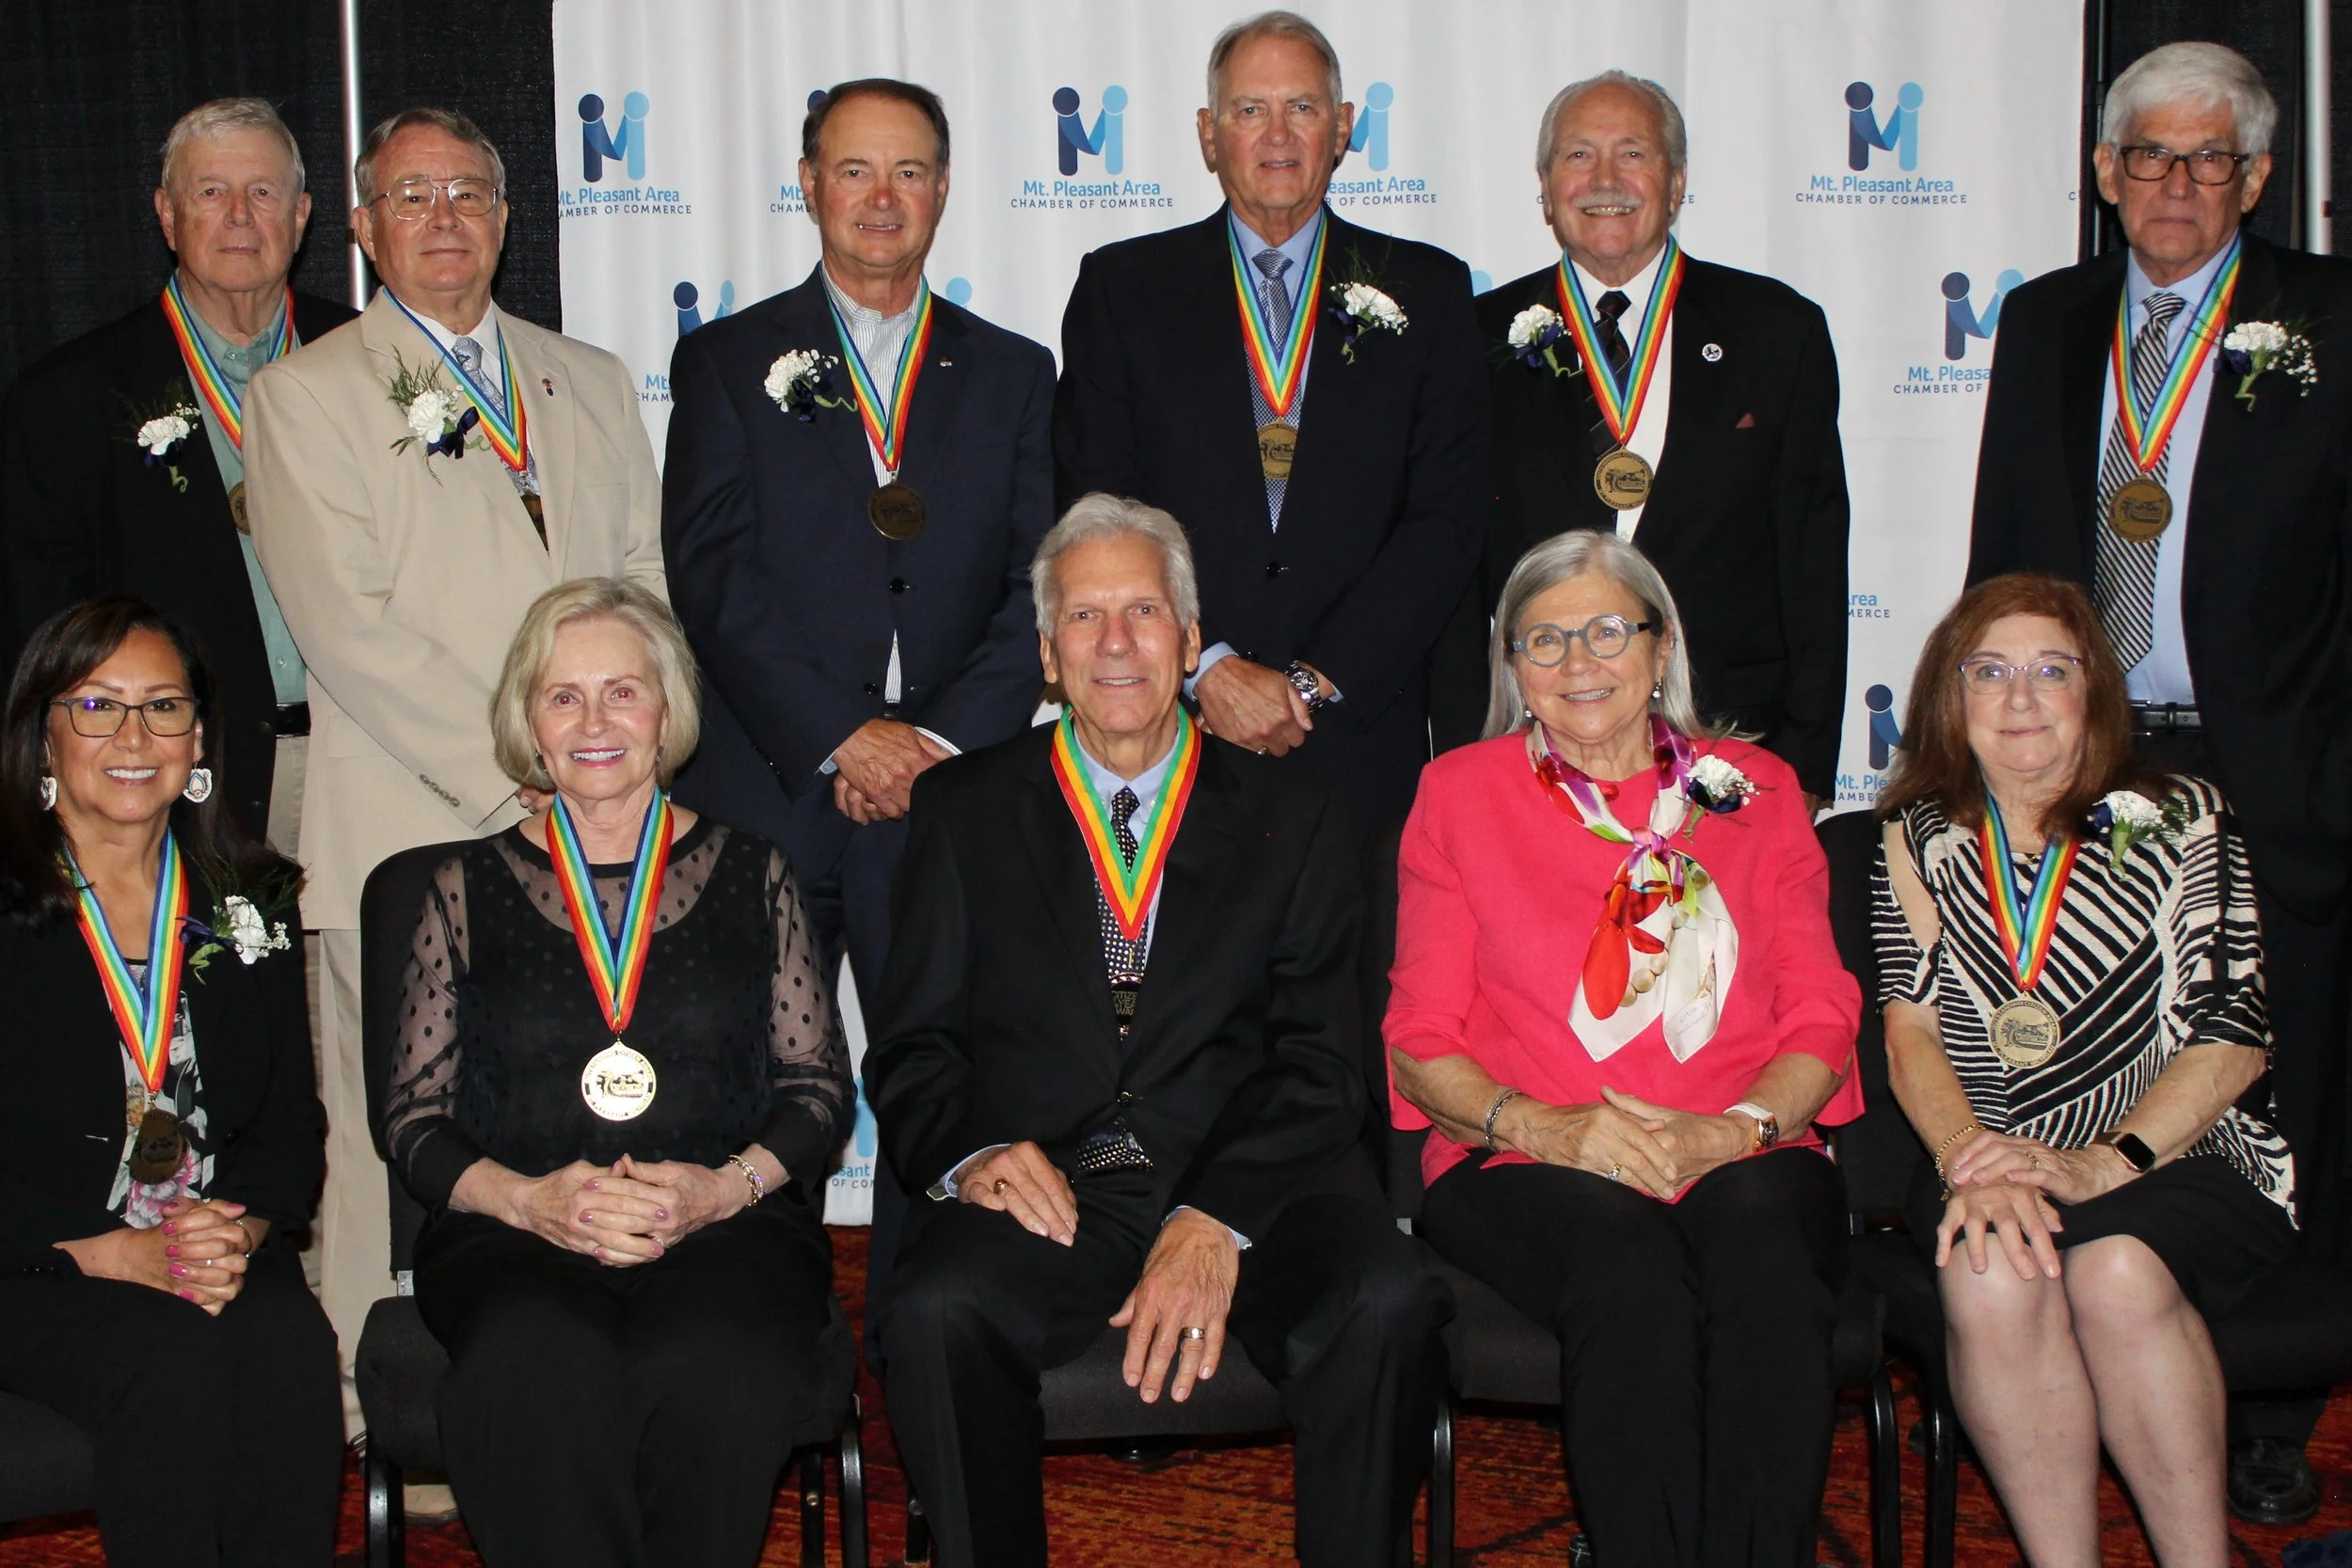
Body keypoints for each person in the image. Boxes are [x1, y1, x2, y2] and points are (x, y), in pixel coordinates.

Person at [867, 494, 1450, 1568]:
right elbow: (913, 1044)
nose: (1117, 642)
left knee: (1386, 1294)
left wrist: (1213, 1214)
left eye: (1143, 610)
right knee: (935, 1308)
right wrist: (975, 1152)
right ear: (1046, 654)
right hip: (1051, 1183)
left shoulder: (1299, 812)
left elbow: (1322, 1063)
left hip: (1251, 1179)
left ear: (1190, 639)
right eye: (1085, 618)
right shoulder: (963, 806)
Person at [1963, 40, 2352, 1519]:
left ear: (2255, 178)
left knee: (2283, 1098)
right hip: (2091, 761)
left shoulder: (2327, 317)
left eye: (2209, 161)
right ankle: (2091, 1334)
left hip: (2276, 780)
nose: (2176, 185)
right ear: (2104, 173)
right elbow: (2009, 553)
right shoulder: (2050, 322)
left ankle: (2263, 1406)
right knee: (2090, 1061)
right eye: (2148, 157)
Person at [245, 105, 664, 1433]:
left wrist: (609, 765)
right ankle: (383, 1418)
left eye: (468, 193)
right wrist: (524, 773)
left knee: (564, 1102)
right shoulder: (304, 393)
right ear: (361, 226)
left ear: (503, 215)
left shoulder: (586, 376)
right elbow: (346, 629)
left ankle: (561, 1386)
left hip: (594, 820)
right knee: (398, 1138)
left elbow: (644, 587)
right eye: (410, 195)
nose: (443, 218)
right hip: (418, 822)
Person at [1386, 530, 1863, 1568]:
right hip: (1518, 1151)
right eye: (1542, 641)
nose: (1577, 662)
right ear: (1510, 667)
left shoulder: (1758, 786)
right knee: (1626, 1262)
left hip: (1744, 1138)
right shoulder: (1458, 793)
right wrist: (1558, 1130)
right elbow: (1419, 1038)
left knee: (1765, 1252)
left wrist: (1728, 1133)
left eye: (1607, 630)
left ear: (1661, 648)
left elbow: (1821, 1009)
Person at [660, 78, 1055, 1305]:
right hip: (774, 787)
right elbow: (711, 576)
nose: (882, 199)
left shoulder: (1014, 372)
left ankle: (916, 1342)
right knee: (748, 1079)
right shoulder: (726, 358)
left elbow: (1039, 584)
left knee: (940, 1078)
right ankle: (763, 1336)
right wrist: (843, 735)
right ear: (809, 182)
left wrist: (929, 741)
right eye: (854, 170)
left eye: (910, 172)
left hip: (948, 793)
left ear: (942, 188)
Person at [376, 578, 852, 1567]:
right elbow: (415, 1119)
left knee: (714, 1362)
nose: (595, 720)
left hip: (729, 1225)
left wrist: (719, 1188)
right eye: (563, 696)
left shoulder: (754, 872)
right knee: (533, 1366)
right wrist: (530, 1201)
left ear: (667, 710)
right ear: (528, 724)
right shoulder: (458, 891)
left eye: (622, 691)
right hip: (514, 1230)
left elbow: (814, 1090)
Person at [1873, 572, 2292, 1567]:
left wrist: (2108, 1160)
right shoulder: (1916, 835)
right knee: (1987, 1268)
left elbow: (2235, 1031)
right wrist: (1974, 1153)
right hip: (1989, 1151)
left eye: (2049, 670)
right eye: (1991, 670)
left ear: (2091, 693)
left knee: (2111, 1269)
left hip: (2178, 1151)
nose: (2019, 697)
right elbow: (1910, 1032)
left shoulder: (2178, 814)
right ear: (1950, 693)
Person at [1054, 10, 1486, 839]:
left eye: (1303, 107)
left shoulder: (1427, 291)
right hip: (1176, 733)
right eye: (1250, 110)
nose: (1278, 135)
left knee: (1357, 971)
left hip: (1361, 738)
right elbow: (1100, 507)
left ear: (1345, 128)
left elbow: (1447, 520)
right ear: (1209, 134)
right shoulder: (1124, 289)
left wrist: (1315, 683)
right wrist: (1206, 665)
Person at [0, 597, 340, 1563]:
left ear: (199, 739)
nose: (135, 735)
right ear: (41, 734)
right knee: (168, 1357)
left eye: (164, 706)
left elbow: (286, 1130)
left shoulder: (251, 897)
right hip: (35, 1260)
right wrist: (109, 1251)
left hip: (204, 1245)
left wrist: (235, 1228)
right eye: (97, 706)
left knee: (290, 1353)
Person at [1430, 72, 1849, 810]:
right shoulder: (1472, 339)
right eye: (1579, 156)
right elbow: (1453, 572)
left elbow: (1813, 566)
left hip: (1730, 743)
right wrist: (1473, 758)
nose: (1605, 180)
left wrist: (1804, 770)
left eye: (1633, 154)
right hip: (1539, 741)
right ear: (1545, 184)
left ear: (1677, 180)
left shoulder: (1778, 332)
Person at [0, 98, 354, 847]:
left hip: (362, 773)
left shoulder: (370, 360)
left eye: (263, 193)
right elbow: (41, 636)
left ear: (302, 217)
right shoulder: (71, 396)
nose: (238, 216)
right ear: (166, 215)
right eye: (210, 192)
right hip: (174, 788)